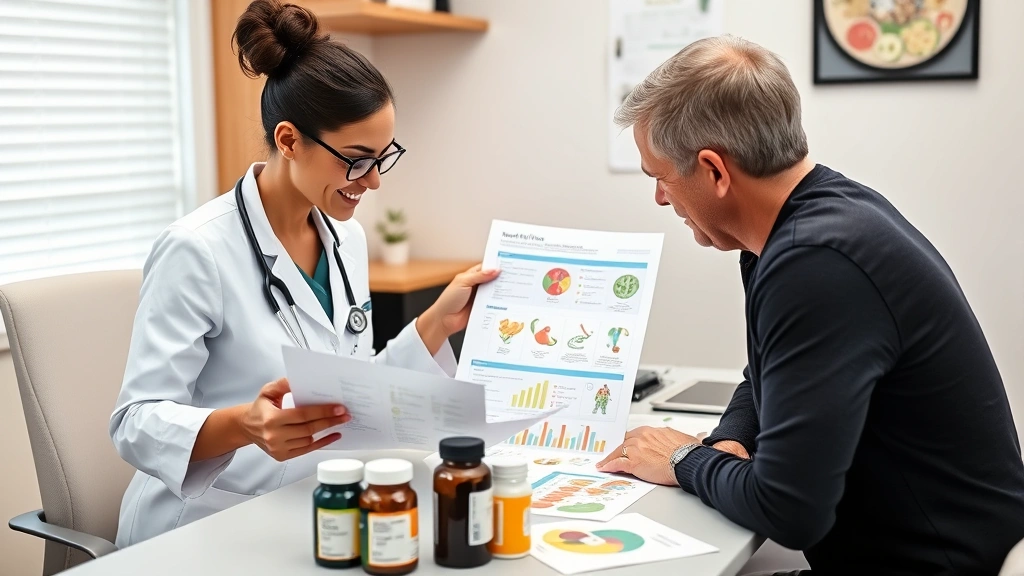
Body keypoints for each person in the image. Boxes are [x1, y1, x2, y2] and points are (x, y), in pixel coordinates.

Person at [597, 35, 1024, 574]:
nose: (661, 197)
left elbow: (791, 510)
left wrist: (683, 460)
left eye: (660, 177)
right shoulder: (819, 219)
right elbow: (768, 373)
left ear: (714, 170)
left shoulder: (816, 263)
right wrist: (728, 441)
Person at [108, 0, 497, 547]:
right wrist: (247, 424)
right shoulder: (197, 250)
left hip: (311, 506)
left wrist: (437, 322)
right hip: (204, 524)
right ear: (289, 141)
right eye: (356, 159)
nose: (373, 181)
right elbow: (134, 422)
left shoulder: (347, 239)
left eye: (382, 158)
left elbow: (350, 392)